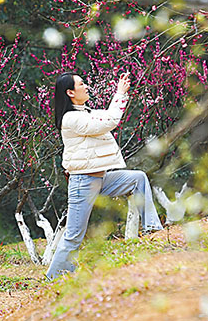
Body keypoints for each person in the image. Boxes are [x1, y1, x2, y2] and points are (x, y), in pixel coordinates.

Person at [45, 71, 163, 280]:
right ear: (70, 92)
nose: (86, 86)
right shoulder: (71, 118)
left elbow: (107, 116)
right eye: (81, 84)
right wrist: (120, 94)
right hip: (83, 183)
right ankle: (54, 278)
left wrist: (121, 95)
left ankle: (152, 228)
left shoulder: (85, 112)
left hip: (100, 179)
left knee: (138, 179)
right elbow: (108, 122)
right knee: (73, 236)